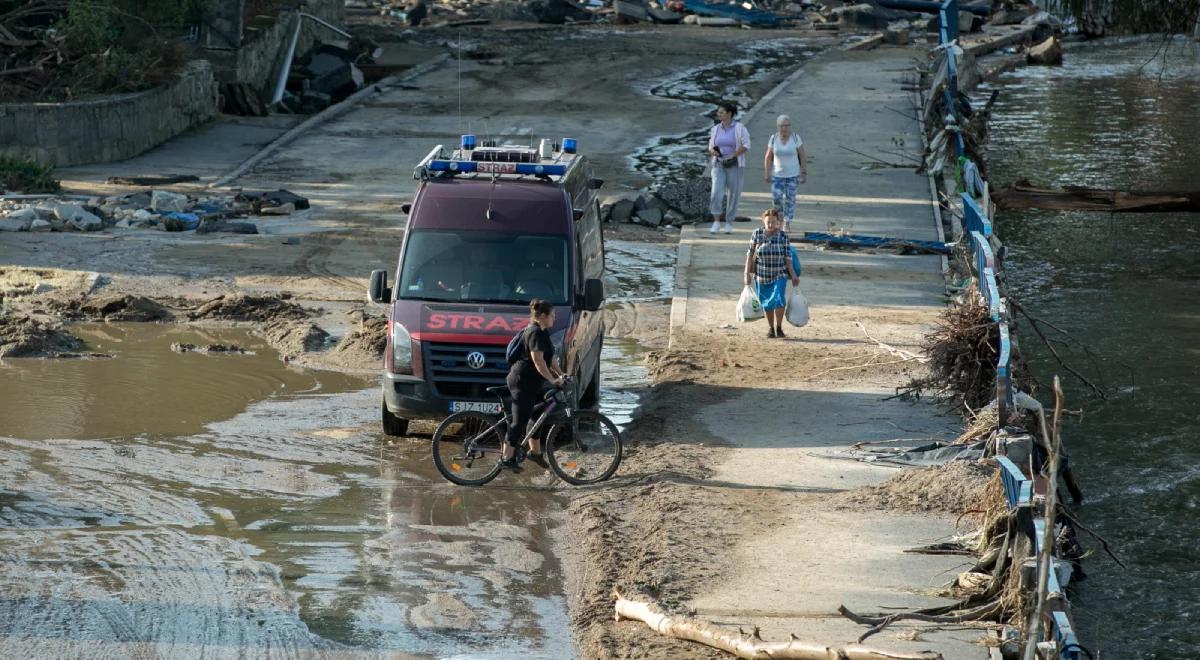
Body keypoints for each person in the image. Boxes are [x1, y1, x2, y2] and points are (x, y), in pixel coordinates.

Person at [501, 299, 565, 472]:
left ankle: (535, 453)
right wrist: (552, 380)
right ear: (543, 316)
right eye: (552, 315)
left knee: (537, 413)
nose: (554, 318)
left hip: (534, 381)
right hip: (521, 380)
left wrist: (561, 374)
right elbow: (538, 361)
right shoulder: (534, 332)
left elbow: (550, 358)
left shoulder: (543, 332)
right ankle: (506, 459)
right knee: (518, 422)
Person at [744, 208, 799, 338]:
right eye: (768, 222)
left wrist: (793, 275)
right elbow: (749, 254)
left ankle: (779, 327)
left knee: (779, 299)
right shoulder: (756, 234)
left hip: (779, 274)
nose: (771, 225)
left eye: (773, 222)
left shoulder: (783, 236)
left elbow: (788, 257)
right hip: (761, 276)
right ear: (763, 221)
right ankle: (771, 328)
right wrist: (746, 273)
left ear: (778, 223)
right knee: (767, 302)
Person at [707, 101, 751, 235]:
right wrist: (713, 151)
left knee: (733, 194)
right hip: (719, 163)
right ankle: (716, 221)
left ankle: (729, 222)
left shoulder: (739, 128)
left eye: (722, 112)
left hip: (735, 164)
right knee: (716, 192)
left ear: (729, 114)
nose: (719, 114)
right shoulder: (715, 129)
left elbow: (746, 144)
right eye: (718, 112)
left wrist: (733, 155)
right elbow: (710, 145)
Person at [762, 114, 808, 233]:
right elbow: (768, 157)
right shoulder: (773, 138)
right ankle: (780, 221)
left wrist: (804, 172)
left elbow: (802, 156)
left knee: (790, 199)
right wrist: (767, 172)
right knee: (776, 199)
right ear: (778, 127)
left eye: (787, 125)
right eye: (782, 126)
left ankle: (787, 222)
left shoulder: (795, 138)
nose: (785, 128)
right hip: (777, 175)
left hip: (793, 175)